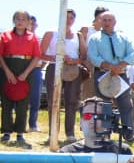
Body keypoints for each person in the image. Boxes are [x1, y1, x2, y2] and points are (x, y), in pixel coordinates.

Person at [86, 11, 134, 142]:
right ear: (100, 22)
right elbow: (93, 57)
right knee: (103, 105)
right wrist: (110, 67)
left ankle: (128, 134)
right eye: (104, 20)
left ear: (114, 22)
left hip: (121, 74)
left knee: (125, 104)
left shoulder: (124, 38)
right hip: (102, 74)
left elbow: (132, 54)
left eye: (109, 20)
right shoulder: (94, 38)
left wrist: (120, 66)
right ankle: (104, 134)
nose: (107, 23)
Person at [41, 8, 87, 141]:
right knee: (53, 101)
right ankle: (53, 133)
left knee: (72, 102)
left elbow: (84, 55)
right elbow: (41, 53)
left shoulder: (78, 35)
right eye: (66, 17)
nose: (68, 20)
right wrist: (58, 57)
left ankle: (70, 133)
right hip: (54, 68)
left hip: (73, 70)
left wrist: (74, 60)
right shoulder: (51, 33)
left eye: (71, 18)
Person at [1, 10, 43, 149]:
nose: (20, 21)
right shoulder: (5, 35)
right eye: (17, 18)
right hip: (7, 66)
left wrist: (26, 72)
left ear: (28, 22)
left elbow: (36, 56)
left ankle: (20, 133)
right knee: (6, 100)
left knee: (23, 102)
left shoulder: (33, 37)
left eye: (23, 19)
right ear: (14, 20)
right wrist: (7, 71)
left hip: (26, 68)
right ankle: (6, 132)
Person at [25, 15, 42, 132]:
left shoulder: (38, 39)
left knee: (35, 98)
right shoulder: (21, 38)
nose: (32, 26)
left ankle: (32, 124)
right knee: (20, 98)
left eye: (33, 24)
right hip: (22, 70)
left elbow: (42, 56)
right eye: (30, 23)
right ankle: (19, 123)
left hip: (36, 70)